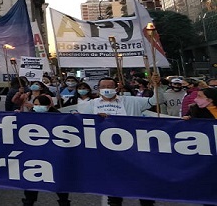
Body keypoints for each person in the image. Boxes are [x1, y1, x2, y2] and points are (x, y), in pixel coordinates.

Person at [77, 75, 162, 206]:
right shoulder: (91, 105)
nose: (107, 89)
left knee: (142, 183)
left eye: (110, 86)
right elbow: (83, 124)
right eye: (103, 87)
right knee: (114, 185)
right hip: (109, 151)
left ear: (116, 88)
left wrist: (157, 86)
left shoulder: (132, 101)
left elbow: (156, 100)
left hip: (134, 150)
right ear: (98, 89)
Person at [22, 96, 69, 206]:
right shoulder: (28, 116)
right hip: (35, 154)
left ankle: (64, 201)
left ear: (48, 106)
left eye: (41, 105)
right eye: (36, 105)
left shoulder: (59, 117)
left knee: (58, 179)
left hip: (53, 153)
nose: (38, 107)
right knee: (31, 179)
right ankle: (29, 201)